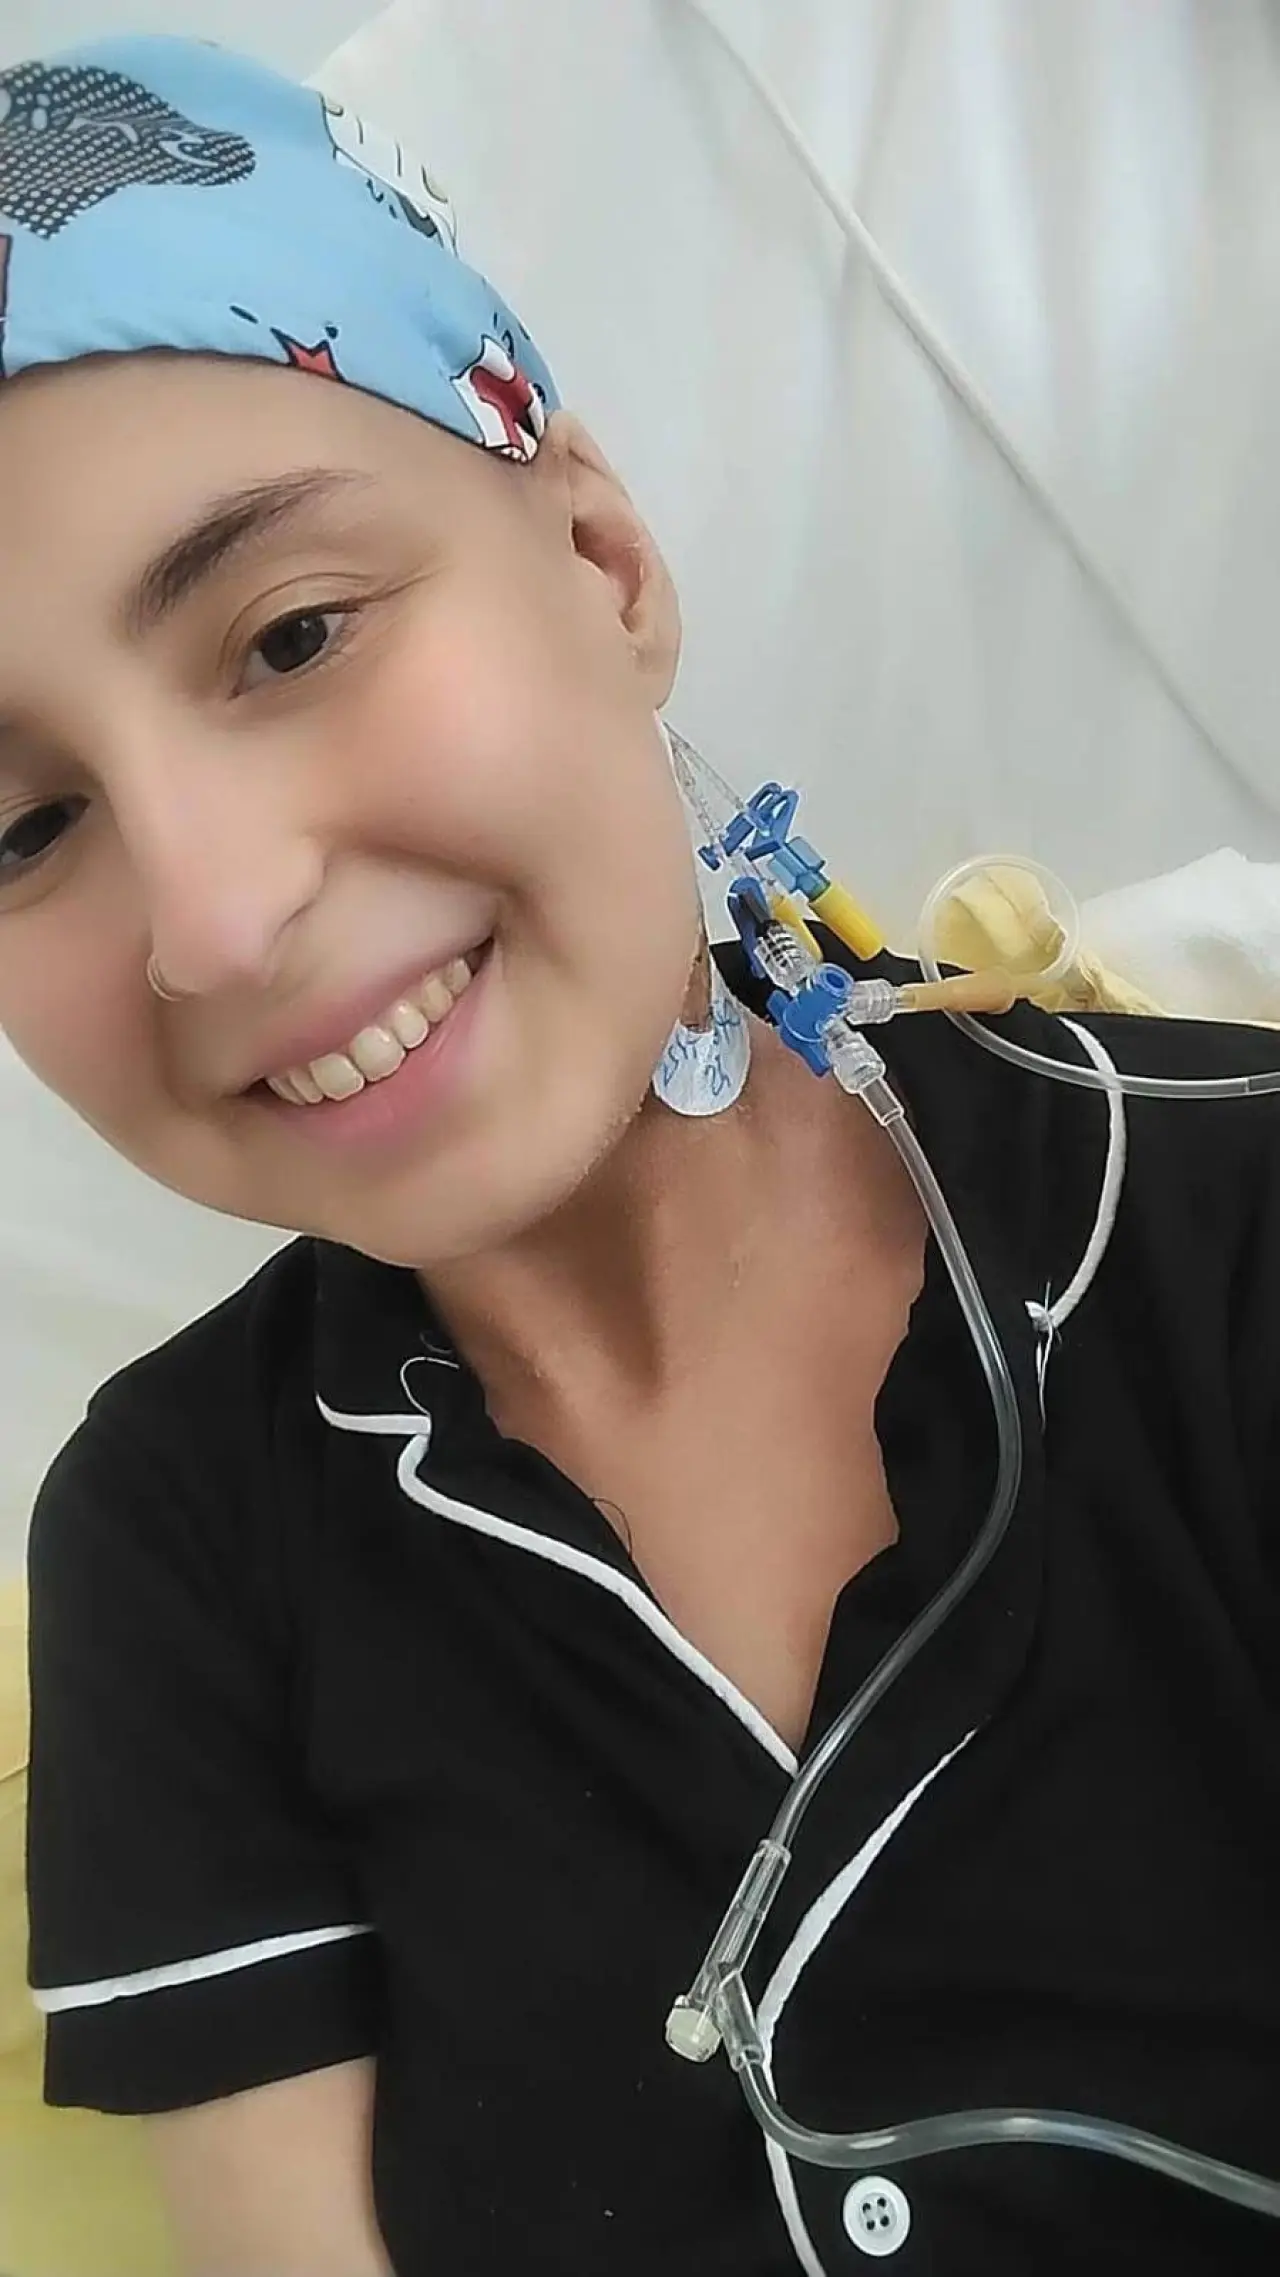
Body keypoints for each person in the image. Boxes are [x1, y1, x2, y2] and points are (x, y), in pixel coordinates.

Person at [1, 31, 1276, 2277]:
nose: (212, 921)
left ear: (599, 559)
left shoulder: (1218, 1222)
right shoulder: (174, 1540)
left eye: (291, 634)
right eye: (22, 829)